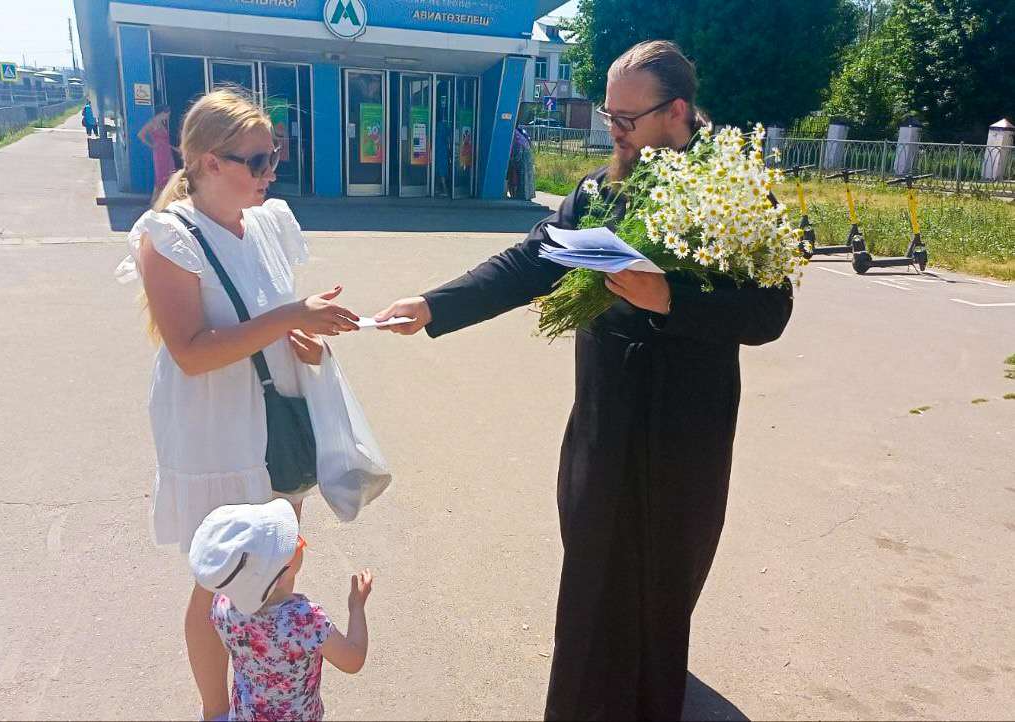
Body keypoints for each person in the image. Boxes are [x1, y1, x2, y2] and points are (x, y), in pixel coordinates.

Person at [374, 40, 793, 721]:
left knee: (663, 575)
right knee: (593, 574)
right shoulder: (600, 190)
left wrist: (671, 301)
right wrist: (432, 305)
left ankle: (653, 699)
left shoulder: (737, 196)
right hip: (603, 418)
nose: (613, 130)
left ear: (677, 110)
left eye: (627, 118)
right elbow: (528, 261)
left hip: (686, 425)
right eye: (609, 115)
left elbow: (768, 312)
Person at [116, 89, 360, 721]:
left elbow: (268, 324)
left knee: (275, 575)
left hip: (274, 426)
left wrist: (303, 338)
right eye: (255, 160)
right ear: (206, 162)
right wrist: (288, 315)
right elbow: (191, 353)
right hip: (216, 433)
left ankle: (273, 699)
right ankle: (215, 711)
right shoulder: (169, 236)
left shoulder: (268, 222)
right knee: (219, 585)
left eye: (273, 156)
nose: (269, 172)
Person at [190, 499, 373, 721]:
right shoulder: (306, 620)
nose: (298, 542)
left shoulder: (223, 607)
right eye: (294, 542)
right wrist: (356, 607)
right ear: (281, 574)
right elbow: (353, 659)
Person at [138, 105, 178, 201]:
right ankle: (154, 203)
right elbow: (140, 135)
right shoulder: (152, 123)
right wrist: (152, 145)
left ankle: (162, 201)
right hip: (160, 153)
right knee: (161, 178)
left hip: (166, 152)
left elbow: (165, 142)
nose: (168, 117)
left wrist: (174, 149)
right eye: (167, 114)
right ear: (162, 113)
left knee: (170, 175)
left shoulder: (161, 123)